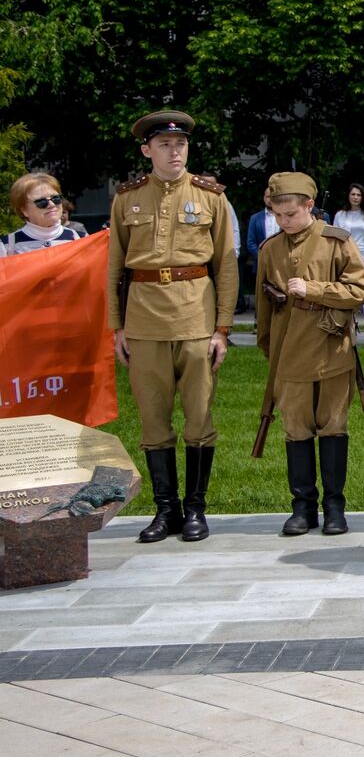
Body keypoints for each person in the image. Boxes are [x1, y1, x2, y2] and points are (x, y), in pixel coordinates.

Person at [106, 110, 238, 544]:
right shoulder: (127, 198)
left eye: (180, 144)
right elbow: (113, 270)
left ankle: (196, 510)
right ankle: (166, 511)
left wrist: (222, 329)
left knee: (199, 417)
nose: (174, 151)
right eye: (164, 144)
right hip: (144, 321)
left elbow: (226, 267)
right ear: (147, 150)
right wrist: (117, 328)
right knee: (153, 421)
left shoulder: (211, 197)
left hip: (196, 317)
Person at [255, 172, 364, 536]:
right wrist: (269, 348)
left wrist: (313, 289)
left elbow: (360, 290)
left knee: (333, 426)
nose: (284, 221)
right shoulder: (269, 249)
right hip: (288, 355)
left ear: (309, 205)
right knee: (296, 429)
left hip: (331, 349)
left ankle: (335, 506)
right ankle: (302, 507)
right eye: (277, 215)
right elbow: (263, 307)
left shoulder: (336, 241)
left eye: (291, 214)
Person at [333, 184, 364, 344]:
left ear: (362, 197)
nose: (355, 197)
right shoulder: (341, 215)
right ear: (348, 196)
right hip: (347, 258)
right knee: (346, 292)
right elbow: (335, 237)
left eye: (358, 195)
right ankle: (347, 327)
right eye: (353, 194)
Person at [2, 174, 84, 256]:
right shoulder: (6, 246)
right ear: (24, 210)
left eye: (55, 198)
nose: (52, 205)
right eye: (41, 202)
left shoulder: (81, 239)